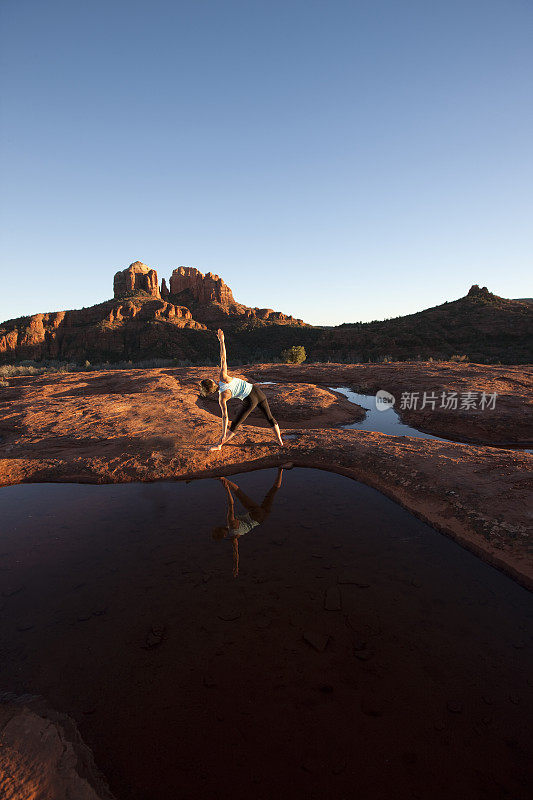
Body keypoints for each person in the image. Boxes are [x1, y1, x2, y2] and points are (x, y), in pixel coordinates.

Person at [200, 329, 283, 452]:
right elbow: (223, 358)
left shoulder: (222, 398)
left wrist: (223, 434)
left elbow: (225, 417)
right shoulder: (223, 378)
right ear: (212, 382)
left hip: (250, 400)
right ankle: (280, 441)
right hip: (257, 391)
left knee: (234, 425)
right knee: (270, 417)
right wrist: (222, 341)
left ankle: (219, 445)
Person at [212, 469, 283, 577]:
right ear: (221, 529)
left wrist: (236, 568)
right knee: (240, 495)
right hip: (255, 514)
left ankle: (281, 469)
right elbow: (231, 504)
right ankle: (222, 479)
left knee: (273, 491)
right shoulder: (230, 523)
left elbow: (236, 554)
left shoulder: (234, 538)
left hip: (262, 519)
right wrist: (227, 489)